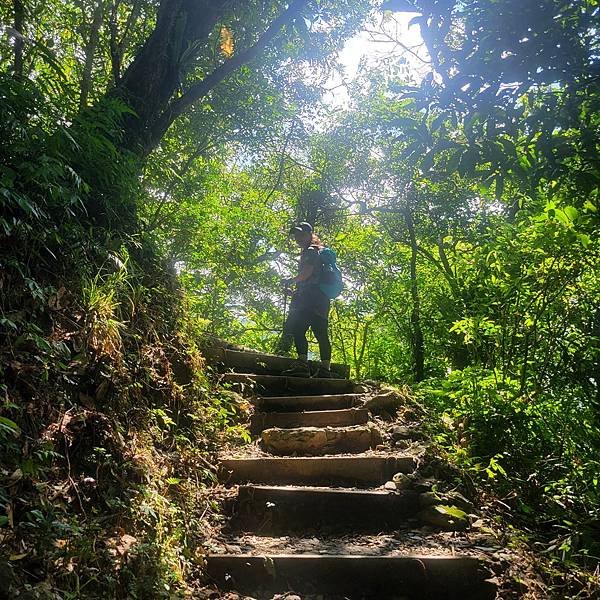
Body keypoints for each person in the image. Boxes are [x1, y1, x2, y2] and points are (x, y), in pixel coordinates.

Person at [278, 222, 332, 378]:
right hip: (320, 300)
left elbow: (306, 274)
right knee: (321, 333)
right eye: (296, 235)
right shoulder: (316, 251)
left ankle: (302, 366)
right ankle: (325, 369)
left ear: (310, 234)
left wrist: (291, 279)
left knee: (298, 329)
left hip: (309, 300)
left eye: (301, 234)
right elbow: (311, 278)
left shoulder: (310, 251)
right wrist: (294, 292)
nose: (298, 238)